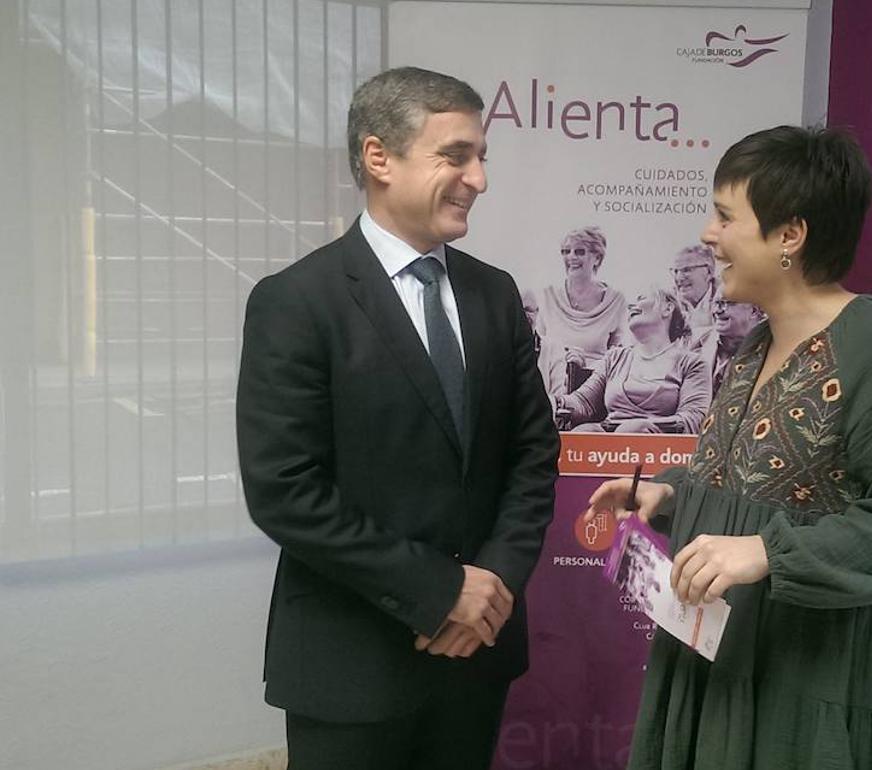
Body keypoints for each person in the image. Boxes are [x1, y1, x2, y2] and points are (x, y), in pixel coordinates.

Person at [586, 126, 872, 770]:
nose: (709, 234)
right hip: (720, 656)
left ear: (790, 234)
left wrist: (769, 552)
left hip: (811, 672)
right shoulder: (756, 343)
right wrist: (669, 492)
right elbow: (751, 477)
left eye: (725, 216)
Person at [236, 67, 559, 770]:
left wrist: (490, 588)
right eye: (456, 156)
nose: (479, 179)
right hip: (350, 667)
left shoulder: (494, 294)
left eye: (481, 158)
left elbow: (533, 454)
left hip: (475, 657)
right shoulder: (297, 302)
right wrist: (441, 593)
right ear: (379, 157)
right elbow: (285, 491)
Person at [555, 286, 710, 434]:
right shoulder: (615, 358)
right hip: (606, 443)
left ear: (667, 308)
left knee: (630, 431)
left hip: (659, 446)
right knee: (585, 432)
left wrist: (643, 428)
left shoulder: (692, 363)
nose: (631, 306)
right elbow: (584, 402)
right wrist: (555, 402)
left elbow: (693, 419)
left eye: (641, 298)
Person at [531, 226, 630, 399]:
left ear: (597, 258)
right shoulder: (547, 296)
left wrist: (584, 365)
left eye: (579, 252)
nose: (571, 257)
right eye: (566, 251)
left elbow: (617, 358)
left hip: (594, 387)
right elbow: (539, 347)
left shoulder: (616, 301)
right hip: (552, 381)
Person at [700, 297, 765, 396]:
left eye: (727, 303)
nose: (717, 310)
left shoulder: (775, 349)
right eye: (716, 303)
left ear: (754, 311)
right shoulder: (692, 341)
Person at [669, 243, 718, 344]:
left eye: (686, 270)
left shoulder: (728, 298)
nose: (679, 278)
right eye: (676, 271)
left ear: (709, 272)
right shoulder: (669, 303)